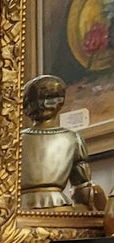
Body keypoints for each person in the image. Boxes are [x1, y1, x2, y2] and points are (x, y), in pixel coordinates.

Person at [21, 74, 107, 211]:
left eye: (51, 97)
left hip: (27, 211)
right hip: (53, 210)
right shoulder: (72, 138)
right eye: (41, 98)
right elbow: (82, 190)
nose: (45, 104)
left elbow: (82, 188)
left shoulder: (73, 138)